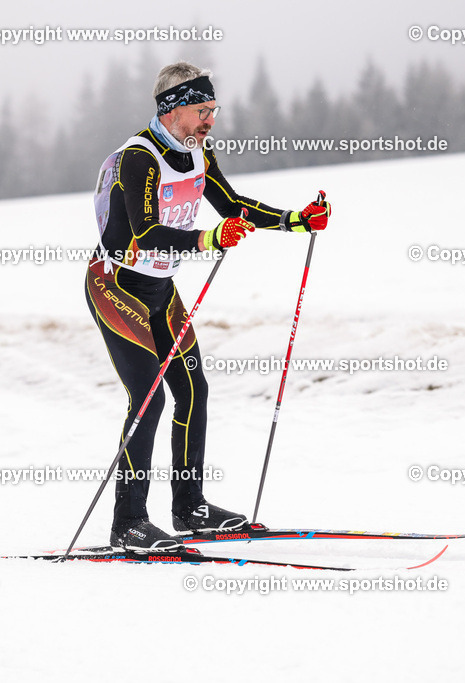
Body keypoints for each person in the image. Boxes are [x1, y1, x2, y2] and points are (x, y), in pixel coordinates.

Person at [86, 61, 331, 551]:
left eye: (214, 110)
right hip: (116, 288)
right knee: (149, 399)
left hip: (161, 290)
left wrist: (295, 220)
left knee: (193, 390)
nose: (210, 120)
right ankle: (128, 522)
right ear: (172, 109)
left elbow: (232, 205)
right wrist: (208, 238)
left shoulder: (198, 153)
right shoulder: (140, 157)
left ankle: (189, 507)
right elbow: (145, 231)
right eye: (202, 110)